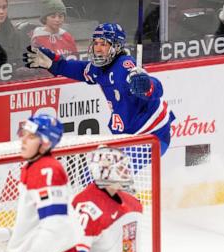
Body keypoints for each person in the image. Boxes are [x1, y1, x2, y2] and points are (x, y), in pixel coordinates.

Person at [24, 23, 175, 156]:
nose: (98, 48)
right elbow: (79, 69)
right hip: (131, 136)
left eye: (103, 44)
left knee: (111, 175)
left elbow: (157, 89)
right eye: (96, 43)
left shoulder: (124, 66)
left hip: (152, 134)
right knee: (95, 173)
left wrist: (146, 86)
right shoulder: (100, 68)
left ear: (116, 47)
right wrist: (54, 64)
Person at [69, 146, 188, 252]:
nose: (126, 171)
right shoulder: (87, 208)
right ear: (104, 171)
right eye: (120, 168)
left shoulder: (132, 204)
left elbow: (130, 249)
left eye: (125, 167)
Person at [7, 114, 83, 252]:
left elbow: (56, 223)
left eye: (32, 137)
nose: (24, 140)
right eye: (24, 134)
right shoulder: (34, 166)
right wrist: (12, 234)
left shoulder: (46, 170)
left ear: (46, 143)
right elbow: (39, 220)